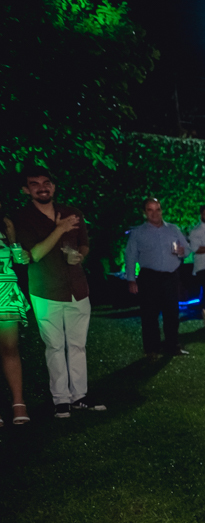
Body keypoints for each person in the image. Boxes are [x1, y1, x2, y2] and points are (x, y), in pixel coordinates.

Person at [13, 167, 103, 418]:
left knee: (77, 345)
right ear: (26, 189)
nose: (42, 187)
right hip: (45, 290)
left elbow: (84, 244)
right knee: (54, 346)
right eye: (35, 184)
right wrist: (60, 229)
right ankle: (61, 399)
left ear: (53, 186)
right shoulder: (23, 218)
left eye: (46, 183)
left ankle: (79, 396)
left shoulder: (73, 212)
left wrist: (79, 256)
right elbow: (36, 254)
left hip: (77, 288)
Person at [123, 197, 192, 359]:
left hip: (170, 276)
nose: (155, 213)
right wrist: (131, 279)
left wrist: (183, 252)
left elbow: (187, 249)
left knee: (172, 314)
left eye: (157, 209)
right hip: (149, 277)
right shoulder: (137, 233)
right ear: (144, 213)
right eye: (150, 210)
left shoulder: (173, 229)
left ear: (161, 210)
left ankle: (173, 345)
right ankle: (151, 349)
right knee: (149, 315)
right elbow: (130, 256)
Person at [1, 206, 31, 426]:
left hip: (7, 292)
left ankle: (18, 403)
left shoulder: (5, 226)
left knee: (10, 347)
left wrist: (13, 240)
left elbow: (20, 260)